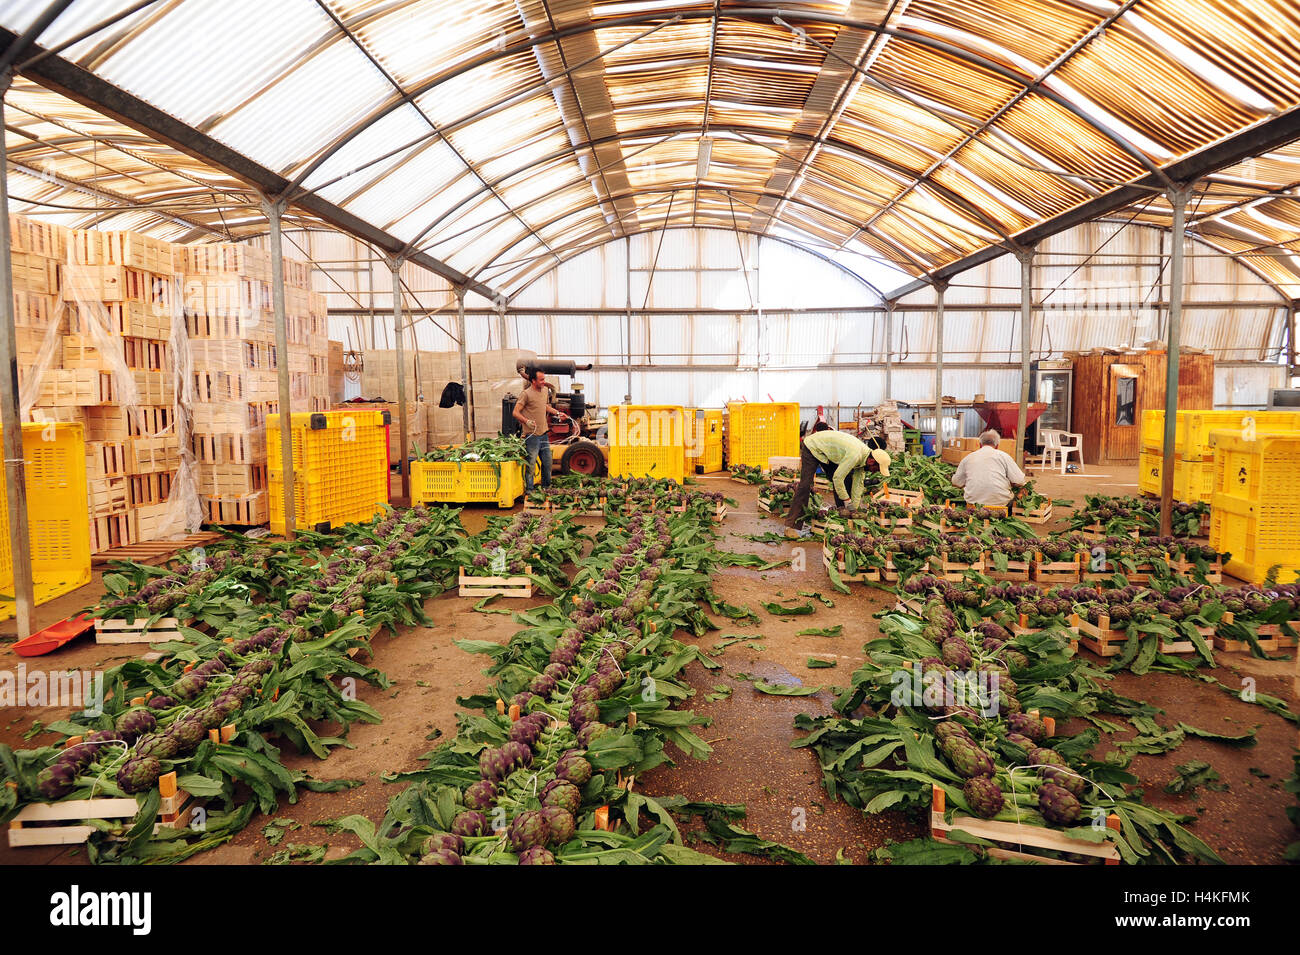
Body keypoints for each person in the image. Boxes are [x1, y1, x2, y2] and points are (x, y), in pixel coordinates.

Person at [786, 429, 890, 532]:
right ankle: (792, 526)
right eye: (876, 469)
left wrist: (854, 509)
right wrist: (847, 500)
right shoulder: (855, 455)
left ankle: (843, 518)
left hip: (830, 452)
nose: (873, 472)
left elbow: (858, 486)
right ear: (872, 461)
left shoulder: (865, 459)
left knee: (847, 480)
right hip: (813, 446)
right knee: (805, 485)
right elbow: (837, 478)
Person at [512, 368, 571, 493]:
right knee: (531, 464)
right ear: (533, 381)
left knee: (547, 462)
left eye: (544, 378)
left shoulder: (544, 391)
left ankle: (546, 488)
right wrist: (526, 421)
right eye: (541, 379)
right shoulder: (526, 394)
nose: (544, 381)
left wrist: (558, 413)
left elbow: (543, 406)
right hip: (532, 436)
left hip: (544, 434)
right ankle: (529, 490)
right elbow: (515, 412)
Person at [952, 429, 1026, 506]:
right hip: (1001, 504)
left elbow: (956, 482)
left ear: (980, 445)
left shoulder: (968, 458)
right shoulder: (1004, 456)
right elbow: (1020, 480)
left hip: (973, 504)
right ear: (997, 446)